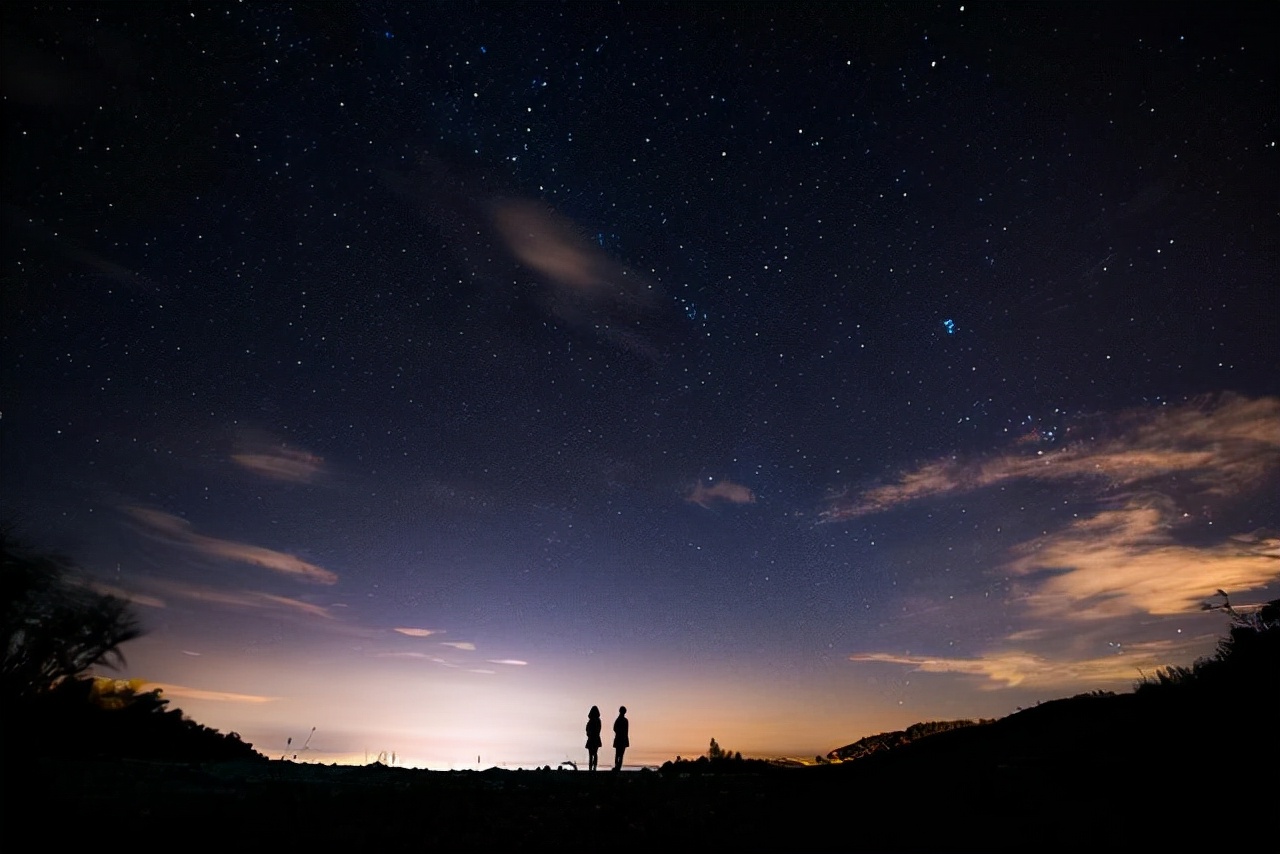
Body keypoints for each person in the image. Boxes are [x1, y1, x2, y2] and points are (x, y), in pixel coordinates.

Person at [585, 705, 602, 771]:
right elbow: (598, 729)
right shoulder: (598, 720)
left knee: (591, 754)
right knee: (595, 753)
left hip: (591, 738)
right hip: (596, 738)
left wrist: (589, 734)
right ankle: (594, 767)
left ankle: (591, 767)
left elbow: (587, 729)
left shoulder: (591, 721)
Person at [612, 705, 629, 771]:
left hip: (619, 738)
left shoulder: (618, 720)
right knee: (621, 755)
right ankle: (618, 767)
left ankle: (617, 767)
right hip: (623, 739)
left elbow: (614, 728)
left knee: (618, 754)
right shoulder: (625, 720)